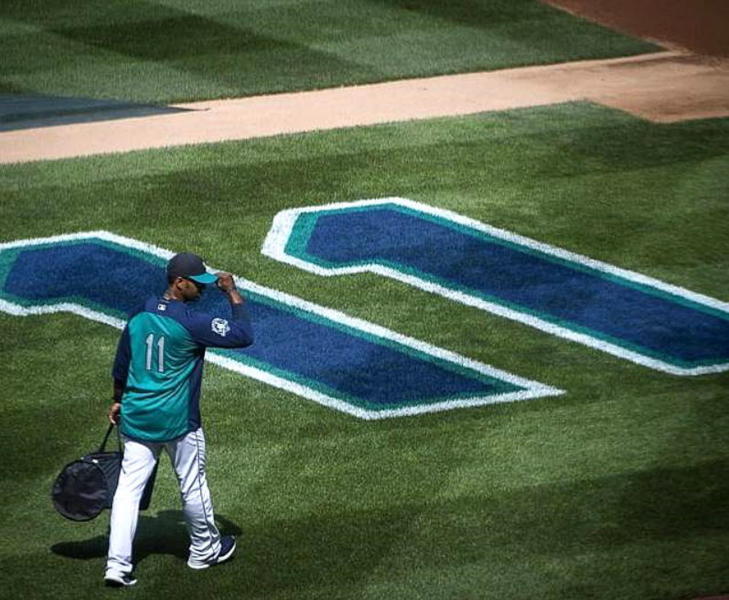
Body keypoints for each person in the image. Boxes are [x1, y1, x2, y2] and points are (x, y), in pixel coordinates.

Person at [104, 252, 254, 587]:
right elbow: (244, 334)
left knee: (127, 492)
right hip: (177, 422)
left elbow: (122, 362)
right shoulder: (191, 322)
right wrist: (231, 292)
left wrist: (118, 400)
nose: (202, 289)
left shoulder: (140, 312)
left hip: (137, 418)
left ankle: (116, 566)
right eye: (196, 284)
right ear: (179, 282)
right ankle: (204, 551)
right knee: (192, 485)